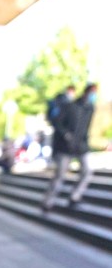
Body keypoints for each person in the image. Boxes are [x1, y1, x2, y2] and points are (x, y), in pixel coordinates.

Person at [42, 83, 98, 212]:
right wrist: (66, 134)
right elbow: (57, 123)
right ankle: (48, 202)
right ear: (86, 92)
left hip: (81, 146)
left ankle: (75, 196)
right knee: (60, 175)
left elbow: (86, 127)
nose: (93, 96)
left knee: (87, 170)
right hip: (65, 147)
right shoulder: (70, 106)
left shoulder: (90, 108)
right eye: (92, 93)